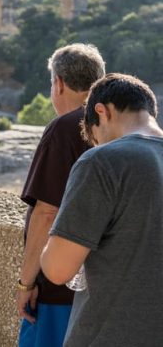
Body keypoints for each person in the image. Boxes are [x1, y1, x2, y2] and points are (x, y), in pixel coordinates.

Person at [41, 73, 163, 346]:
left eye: (97, 137)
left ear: (101, 111)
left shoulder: (102, 161)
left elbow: (58, 269)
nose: (99, 145)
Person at [16, 43, 105, 347]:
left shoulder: (64, 129)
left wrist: (26, 282)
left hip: (58, 289)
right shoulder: (115, 127)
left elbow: (46, 212)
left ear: (59, 83)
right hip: (104, 285)